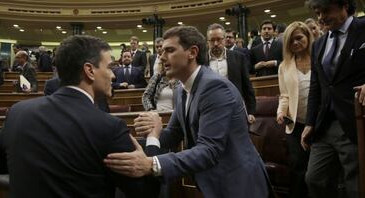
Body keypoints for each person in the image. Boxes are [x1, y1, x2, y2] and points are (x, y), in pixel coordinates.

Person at [0, 35, 160, 197]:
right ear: (89, 71)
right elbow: (147, 192)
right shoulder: (109, 126)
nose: (113, 75)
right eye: (109, 67)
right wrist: (152, 140)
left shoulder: (19, 111)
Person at [104, 26, 271, 198]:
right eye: (161, 51)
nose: (161, 57)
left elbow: (209, 150)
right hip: (213, 182)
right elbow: (173, 134)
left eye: (169, 50)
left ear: (192, 52)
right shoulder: (181, 89)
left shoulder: (214, 87)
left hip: (238, 184)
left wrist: (152, 163)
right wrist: (140, 140)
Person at [302, 0, 365, 197]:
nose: (320, 17)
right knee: (314, 179)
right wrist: (309, 122)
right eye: (317, 12)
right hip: (325, 125)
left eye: (326, 11)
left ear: (345, 5)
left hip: (356, 122)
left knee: (356, 186)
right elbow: (316, 86)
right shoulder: (318, 44)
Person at [276, 21, 314, 198]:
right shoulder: (284, 66)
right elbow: (284, 95)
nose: (296, 43)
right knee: (298, 169)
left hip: (319, 124)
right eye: (291, 41)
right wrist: (281, 112)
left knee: (317, 172)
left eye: (299, 38)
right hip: (295, 125)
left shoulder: (320, 58)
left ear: (308, 36)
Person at [206, 23, 256, 123]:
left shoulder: (238, 57)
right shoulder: (201, 61)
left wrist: (251, 111)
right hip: (210, 111)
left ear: (224, 39)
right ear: (208, 42)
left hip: (235, 109)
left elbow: (247, 86)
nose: (215, 43)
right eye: (212, 40)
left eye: (219, 39)